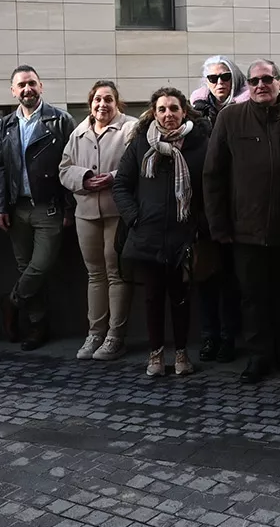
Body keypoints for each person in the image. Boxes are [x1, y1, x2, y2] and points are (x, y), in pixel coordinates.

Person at [203, 58, 280, 384]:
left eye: (267, 79)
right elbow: (213, 174)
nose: (261, 85)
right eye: (254, 81)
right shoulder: (230, 118)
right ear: (247, 86)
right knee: (252, 298)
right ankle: (258, 358)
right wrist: (218, 225)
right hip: (244, 231)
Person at [113, 86, 210, 378]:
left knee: (181, 298)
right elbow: (121, 185)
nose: (168, 114)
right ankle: (155, 355)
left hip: (184, 237)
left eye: (174, 109)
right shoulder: (141, 144)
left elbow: (210, 189)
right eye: (162, 109)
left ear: (184, 111)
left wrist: (198, 224)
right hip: (148, 235)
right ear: (154, 113)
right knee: (153, 298)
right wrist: (135, 218)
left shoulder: (200, 145)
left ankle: (181, 353)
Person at [0, 65, 73, 350]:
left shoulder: (60, 120)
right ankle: (38, 326)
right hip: (16, 207)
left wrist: (69, 207)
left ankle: (11, 302)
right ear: (13, 91)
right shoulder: (5, 125)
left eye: (32, 84)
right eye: (21, 85)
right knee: (25, 266)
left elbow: (69, 164)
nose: (27, 89)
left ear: (41, 86)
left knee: (41, 265)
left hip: (48, 206)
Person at [60, 80, 140, 362]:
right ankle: (95, 333)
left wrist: (113, 177)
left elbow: (138, 163)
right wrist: (83, 177)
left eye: (108, 99)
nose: (102, 105)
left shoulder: (130, 128)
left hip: (117, 212)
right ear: (90, 103)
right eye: (97, 100)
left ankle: (115, 337)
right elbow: (64, 169)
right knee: (94, 275)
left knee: (116, 273)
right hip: (86, 213)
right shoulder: (79, 131)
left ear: (117, 103)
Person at [189, 54, 246, 363]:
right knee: (205, 277)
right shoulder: (194, 114)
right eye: (213, 78)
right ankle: (209, 336)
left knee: (230, 280)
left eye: (225, 77)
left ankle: (228, 338)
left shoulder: (245, 109)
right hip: (202, 209)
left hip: (236, 208)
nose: (220, 83)